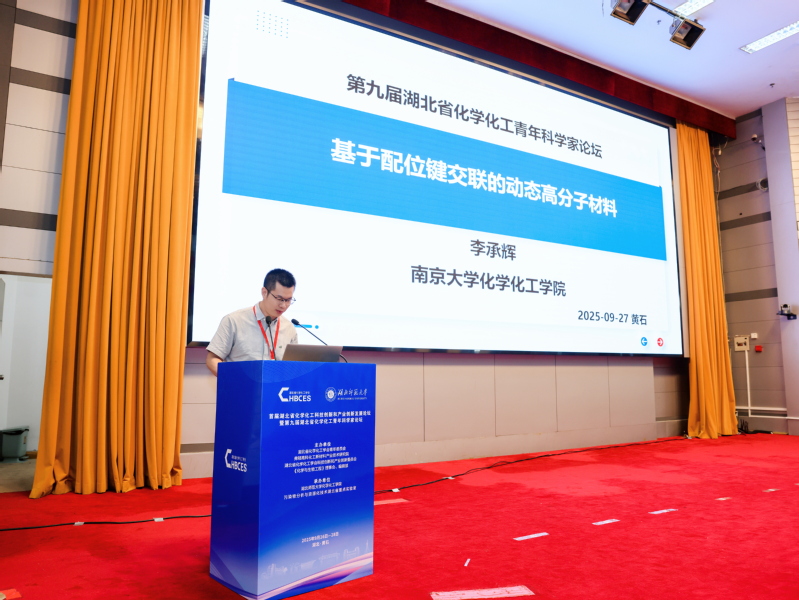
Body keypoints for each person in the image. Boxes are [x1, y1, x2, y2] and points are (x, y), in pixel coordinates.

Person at [206, 268, 299, 376]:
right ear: (264, 292)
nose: (283, 305)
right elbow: (212, 359)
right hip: (240, 385)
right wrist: (231, 379)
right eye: (279, 298)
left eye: (288, 300)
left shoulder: (289, 328)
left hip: (276, 386)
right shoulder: (234, 320)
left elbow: (293, 366)